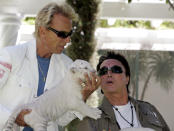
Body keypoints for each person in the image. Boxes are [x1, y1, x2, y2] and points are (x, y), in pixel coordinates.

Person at [0, 2, 100, 131]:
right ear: (42, 31)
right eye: (62, 34)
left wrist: (83, 96)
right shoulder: (10, 56)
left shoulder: (68, 67)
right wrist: (13, 117)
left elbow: (60, 120)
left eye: (70, 34)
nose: (68, 40)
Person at [77, 52, 170, 131]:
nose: (109, 74)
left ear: (127, 78)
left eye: (116, 70)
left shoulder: (148, 109)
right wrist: (82, 98)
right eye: (103, 71)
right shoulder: (93, 118)